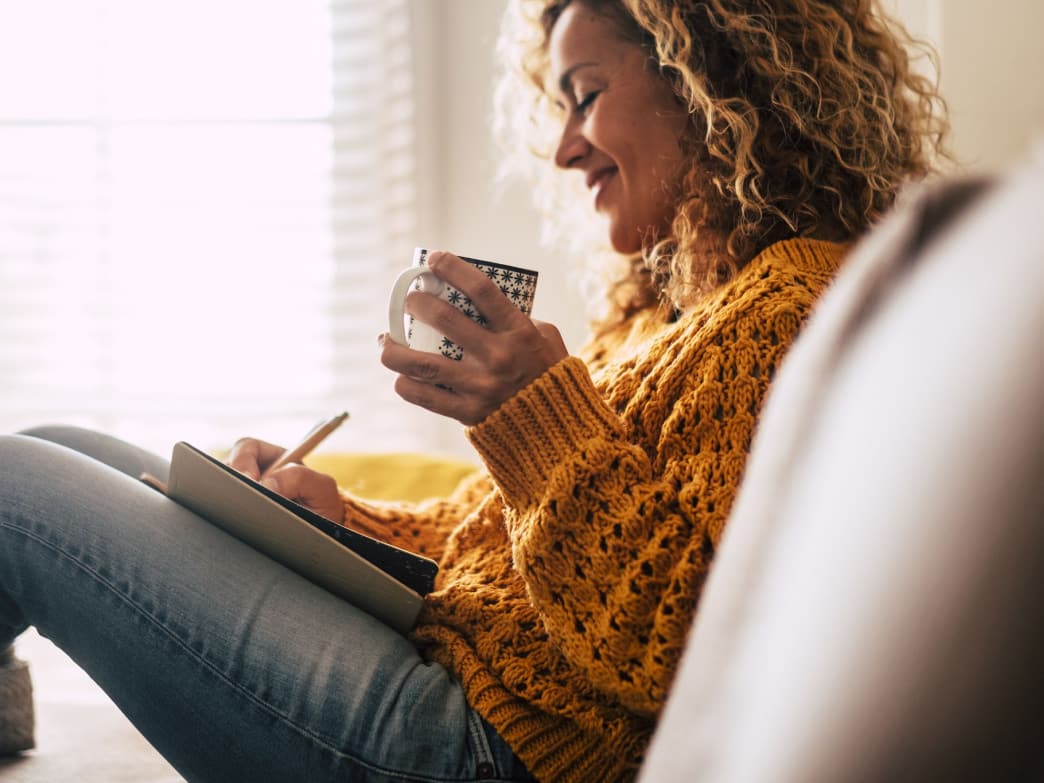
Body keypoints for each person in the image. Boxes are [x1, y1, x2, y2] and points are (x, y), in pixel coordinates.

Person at [0, 1, 947, 780]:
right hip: (469, 672)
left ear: (710, 81)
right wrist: (341, 522)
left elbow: (683, 653)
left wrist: (535, 416)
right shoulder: (671, 309)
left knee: (14, 487)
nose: (566, 149)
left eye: (586, 96)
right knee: (63, 444)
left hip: (487, 747)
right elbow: (493, 549)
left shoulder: (787, 311)